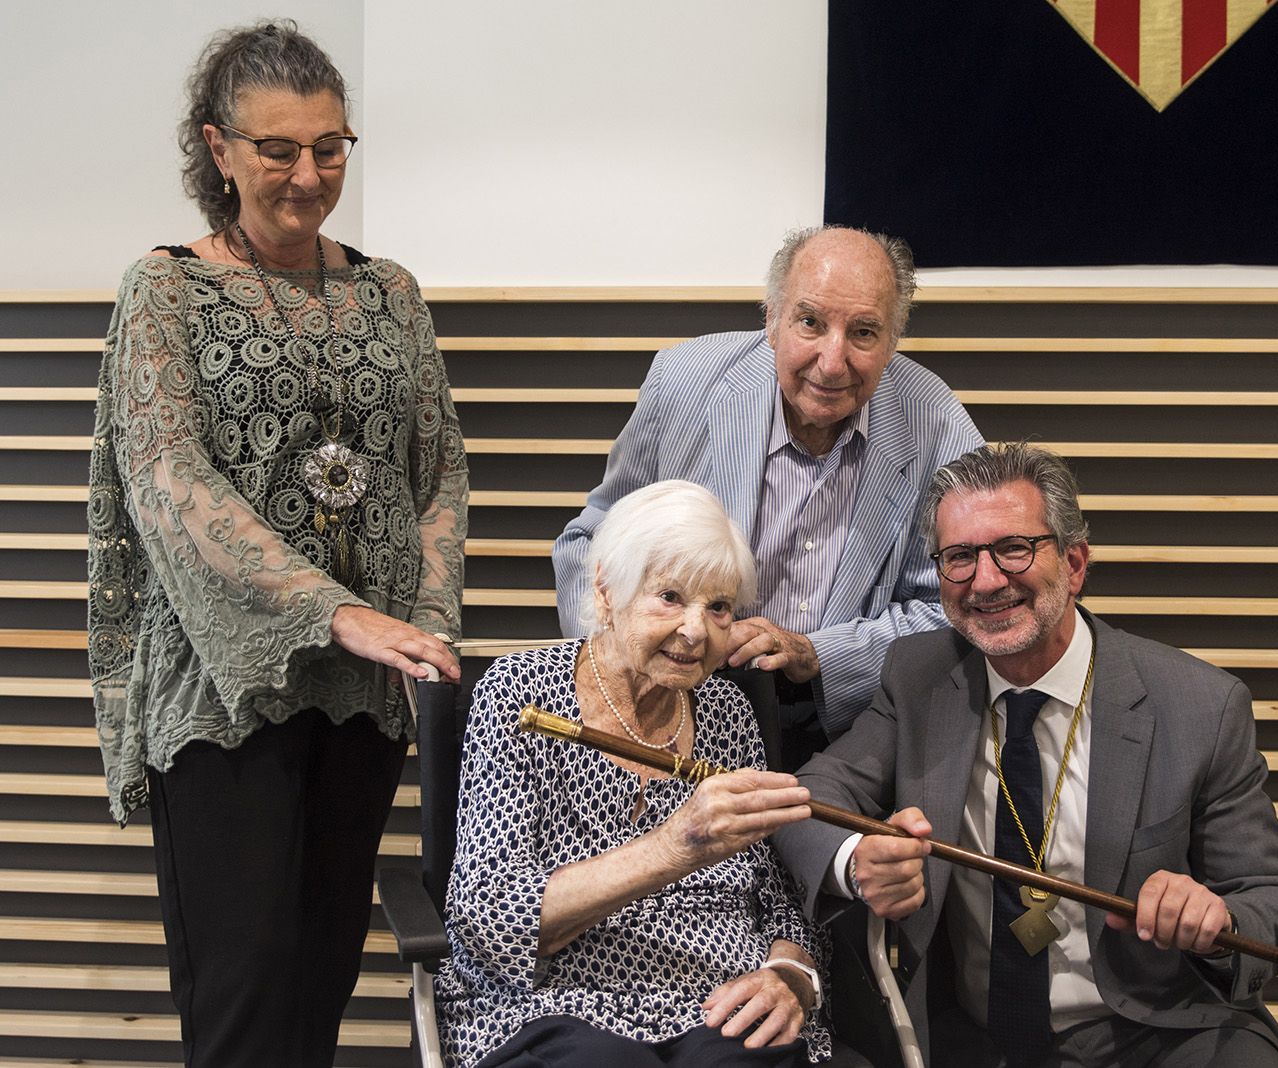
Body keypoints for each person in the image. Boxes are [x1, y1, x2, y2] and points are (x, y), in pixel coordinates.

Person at [85, 21, 467, 1067]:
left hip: (363, 691)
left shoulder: (390, 291)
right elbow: (169, 480)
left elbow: (436, 472)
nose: (309, 174)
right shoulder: (164, 290)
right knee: (245, 998)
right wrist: (331, 612)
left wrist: (421, 624)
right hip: (223, 694)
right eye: (278, 150)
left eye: (330, 147)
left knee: (318, 983)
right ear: (218, 150)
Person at [775, 444, 1278, 1067]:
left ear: (1075, 563)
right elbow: (808, 798)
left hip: (1153, 1033)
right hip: (968, 1037)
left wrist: (1215, 917)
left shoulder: (1197, 706)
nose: (985, 581)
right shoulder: (920, 678)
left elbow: (1276, 902)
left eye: (1013, 549)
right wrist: (857, 859)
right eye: (959, 558)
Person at [553, 225, 984, 767]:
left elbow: (958, 607)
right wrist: (618, 661)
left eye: (864, 333)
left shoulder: (936, 422)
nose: (832, 361)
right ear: (772, 320)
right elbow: (589, 542)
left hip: (849, 728)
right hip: (678, 710)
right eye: (810, 322)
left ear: (892, 342)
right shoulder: (684, 382)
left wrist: (819, 654)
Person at [436, 480, 831, 1067]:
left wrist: (791, 974)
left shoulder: (726, 712)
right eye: (670, 596)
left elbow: (772, 895)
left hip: (713, 999)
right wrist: (676, 845)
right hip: (553, 1003)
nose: (697, 631)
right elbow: (489, 918)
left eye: (718, 607)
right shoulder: (522, 696)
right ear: (605, 591)